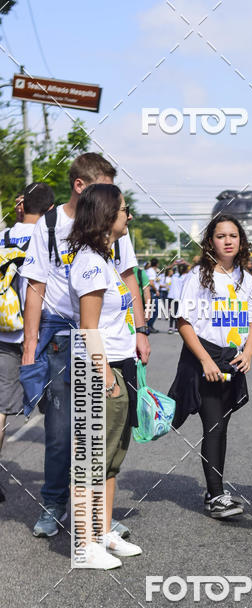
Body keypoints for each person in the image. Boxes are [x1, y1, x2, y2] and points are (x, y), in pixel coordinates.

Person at [20, 152, 149, 537]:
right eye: (104, 188)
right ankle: (55, 503)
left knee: (102, 431)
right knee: (62, 430)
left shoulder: (112, 228)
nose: (113, 198)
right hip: (63, 337)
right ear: (80, 186)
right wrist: (30, 346)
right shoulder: (50, 224)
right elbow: (35, 286)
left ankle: (96, 520)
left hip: (106, 338)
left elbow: (128, 277)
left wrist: (141, 330)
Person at [68, 184, 142, 568]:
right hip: (100, 369)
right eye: (124, 209)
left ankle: (102, 531)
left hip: (117, 364)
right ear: (106, 215)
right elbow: (88, 328)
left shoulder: (106, 257)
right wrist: (107, 377)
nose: (128, 215)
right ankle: (84, 544)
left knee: (111, 459)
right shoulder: (91, 262)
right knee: (91, 460)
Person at [168, 215, 252, 517]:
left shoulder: (246, 278)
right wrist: (205, 360)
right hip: (204, 358)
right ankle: (217, 495)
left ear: (241, 241)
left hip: (232, 359)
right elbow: (183, 322)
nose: (228, 241)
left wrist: (248, 353)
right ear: (211, 241)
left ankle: (214, 491)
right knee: (214, 425)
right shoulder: (197, 276)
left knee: (222, 426)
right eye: (221, 236)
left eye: (233, 235)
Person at [0, 182, 55, 502]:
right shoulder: (49, 237)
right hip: (42, 333)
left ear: (23, 205)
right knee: (57, 410)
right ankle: (58, 484)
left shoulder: (3, 236)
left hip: (5, 331)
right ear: (50, 209)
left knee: (0, 408)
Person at [145, 257, 159, 332]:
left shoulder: (150, 270)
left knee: (152, 309)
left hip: (151, 291)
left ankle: (150, 326)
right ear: (157, 264)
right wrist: (156, 290)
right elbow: (151, 282)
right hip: (152, 291)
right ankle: (149, 326)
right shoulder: (151, 271)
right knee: (155, 310)